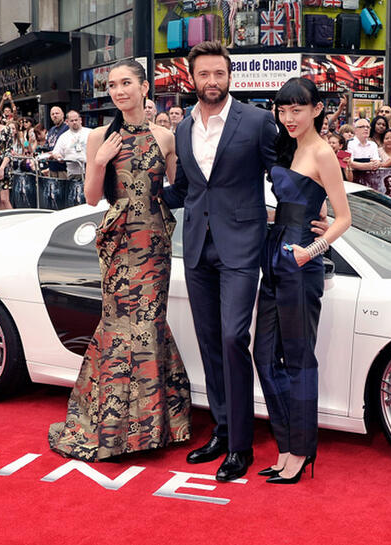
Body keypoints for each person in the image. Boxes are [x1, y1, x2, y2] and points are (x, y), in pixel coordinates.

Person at [48, 58, 189, 462]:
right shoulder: (99, 136)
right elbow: (92, 197)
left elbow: (177, 189)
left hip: (156, 239)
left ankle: (154, 427)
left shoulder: (166, 137)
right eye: (112, 84)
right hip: (118, 237)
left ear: (145, 88)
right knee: (118, 323)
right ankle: (114, 427)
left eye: (126, 82)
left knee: (149, 323)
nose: (119, 90)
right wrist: (99, 161)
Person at [161, 41, 277, 482]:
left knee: (232, 338)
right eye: (204, 75)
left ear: (230, 77)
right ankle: (223, 430)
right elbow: (186, 190)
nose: (212, 82)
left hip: (242, 246)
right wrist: (138, 189)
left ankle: (242, 446)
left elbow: (279, 173)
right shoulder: (183, 127)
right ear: (191, 79)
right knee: (210, 341)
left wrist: (305, 210)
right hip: (197, 247)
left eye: (219, 74)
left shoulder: (257, 121)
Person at [253, 77, 350, 484]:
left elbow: (344, 218)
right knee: (263, 355)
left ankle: (300, 452)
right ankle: (287, 446)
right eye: (283, 109)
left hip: (301, 263)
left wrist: (311, 251)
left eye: (298, 109)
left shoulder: (324, 153)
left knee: (298, 359)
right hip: (274, 256)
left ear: (317, 109)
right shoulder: (286, 146)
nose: (289, 117)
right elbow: (292, 205)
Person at [51, 111, 92, 180]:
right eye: (72, 121)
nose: (74, 122)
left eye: (76, 120)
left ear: (80, 120)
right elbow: (55, 152)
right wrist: (58, 157)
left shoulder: (90, 133)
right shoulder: (63, 137)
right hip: (73, 173)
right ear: (67, 122)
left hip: (90, 172)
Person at [45, 106, 69, 179]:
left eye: (57, 113)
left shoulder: (67, 128)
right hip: (52, 167)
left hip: (63, 168)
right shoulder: (51, 130)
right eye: (52, 114)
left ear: (62, 115)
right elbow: (47, 146)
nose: (55, 115)